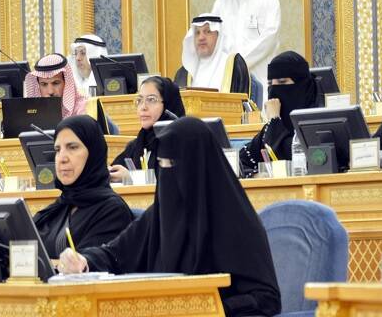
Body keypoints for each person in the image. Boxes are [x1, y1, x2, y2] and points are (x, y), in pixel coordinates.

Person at [58, 117, 281, 317]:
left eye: (173, 165)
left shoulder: (236, 222)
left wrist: (209, 307)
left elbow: (266, 298)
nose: (168, 175)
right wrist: (84, 262)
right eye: (162, 165)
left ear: (201, 166)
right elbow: (115, 254)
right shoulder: (159, 215)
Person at [32, 116, 134, 258]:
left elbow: (87, 266)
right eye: (57, 149)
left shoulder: (113, 212)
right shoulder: (60, 206)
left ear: (93, 153)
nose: (62, 158)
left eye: (72, 147)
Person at [238, 51, 319, 177]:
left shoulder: (318, 122)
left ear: (301, 85)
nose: (274, 91)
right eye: (270, 84)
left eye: (282, 82)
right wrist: (255, 175)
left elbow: (299, 159)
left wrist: (275, 121)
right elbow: (239, 162)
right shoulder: (270, 129)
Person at [211, 0, 281, 85]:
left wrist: (238, 63)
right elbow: (214, 39)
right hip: (227, 81)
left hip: (260, 79)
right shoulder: (221, 4)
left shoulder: (269, 0)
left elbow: (269, 38)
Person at [109, 76, 186, 183]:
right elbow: (113, 170)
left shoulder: (181, 143)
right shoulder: (137, 145)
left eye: (151, 100)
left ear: (168, 105)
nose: (143, 107)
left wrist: (131, 177)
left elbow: (175, 180)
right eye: (139, 100)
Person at [173, 14, 250, 94]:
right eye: (197, 33)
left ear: (219, 36)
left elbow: (241, 100)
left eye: (208, 31)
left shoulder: (234, 66)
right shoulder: (184, 73)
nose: (201, 38)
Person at [23, 53, 87, 118]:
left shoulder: (83, 108)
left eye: (56, 83)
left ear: (67, 83)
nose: (50, 92)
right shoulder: (32, 113)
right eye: (44, 84)